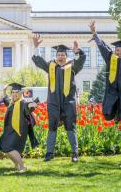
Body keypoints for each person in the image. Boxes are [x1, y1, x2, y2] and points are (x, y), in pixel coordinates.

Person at [32, 34, 86, 162]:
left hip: (69, 102)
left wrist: (78, 52)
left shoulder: (72, 67)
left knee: (70, 127)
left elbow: (81, 61)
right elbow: (39, 62)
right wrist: (36, 47)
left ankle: (75, 153)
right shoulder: (51, 66)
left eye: (63, 54)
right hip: (54, 102)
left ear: (66, 56)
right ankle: (49, 153)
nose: (61, 56)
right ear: (56, 56)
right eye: (59, 54)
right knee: (52, 127)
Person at [0, 83, 36, 173]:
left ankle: (22, 167)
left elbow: (29, 108)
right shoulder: (12, 103)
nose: (14, 94)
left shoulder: (22, 103)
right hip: (9, 130)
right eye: (13, 92)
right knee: (5, 148)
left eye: (17, 92)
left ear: (20, 93)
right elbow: (6, 99)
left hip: (18, 130)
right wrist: (4, 91)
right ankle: (17, 165)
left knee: (9, 148)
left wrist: (32, 105)